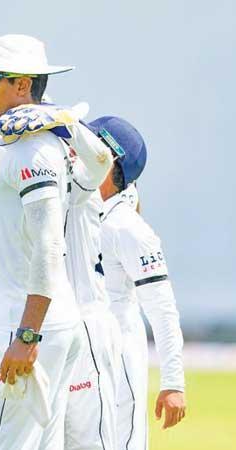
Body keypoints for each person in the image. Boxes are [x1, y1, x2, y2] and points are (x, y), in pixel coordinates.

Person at [0, 34, 84, 450]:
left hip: (26, 323)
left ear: (22, 85)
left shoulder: (32, 151)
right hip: (44, 320)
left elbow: (47, 247)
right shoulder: (37, 144)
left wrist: (26, 336)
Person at [97, 116, 186, 448]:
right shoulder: (82, 209)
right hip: (84, 356)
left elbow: (162, 310)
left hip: (119, 358)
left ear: (108, 160)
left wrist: (173, 383)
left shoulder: (130, 229)